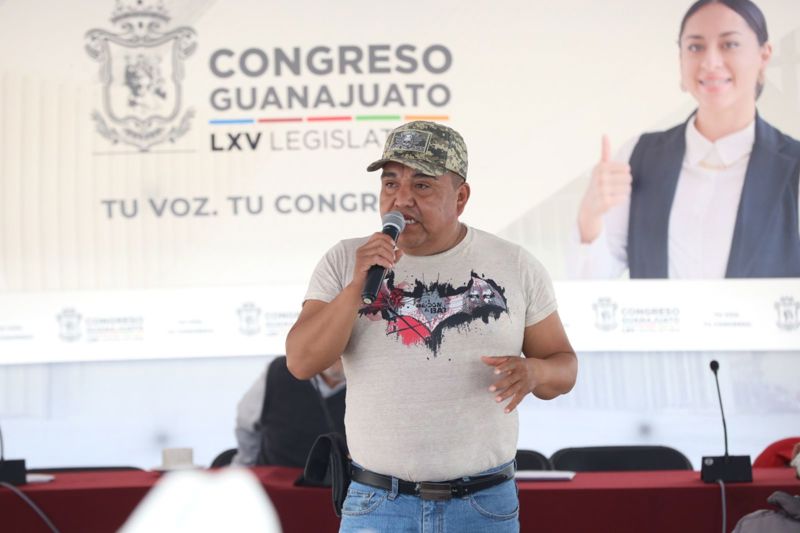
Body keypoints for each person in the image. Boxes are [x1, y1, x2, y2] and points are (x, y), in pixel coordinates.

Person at [286, 120, 577, 532]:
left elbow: (564, 366)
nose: (401, 199)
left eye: (422, 186)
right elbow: (301, 362)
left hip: (481, 506)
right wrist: (356, 287)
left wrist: (535, 372)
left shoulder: (514, 265)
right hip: (377, 505)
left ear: (460, 197)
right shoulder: (346, 260)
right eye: (391, 183)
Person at [573, 0, 800, 279]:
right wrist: (590, 217)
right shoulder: (638, 157)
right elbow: (591, 285)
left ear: (763, 56)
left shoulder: (794, 168)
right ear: (681, 60)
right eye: (695, 47)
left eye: (729, 44)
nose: (710, 62)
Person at [231, 356, 346, 467]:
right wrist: (248, 471)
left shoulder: (357, 390)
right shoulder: (278, 371)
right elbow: (246, 428)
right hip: (275, 476)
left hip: (341, 479)